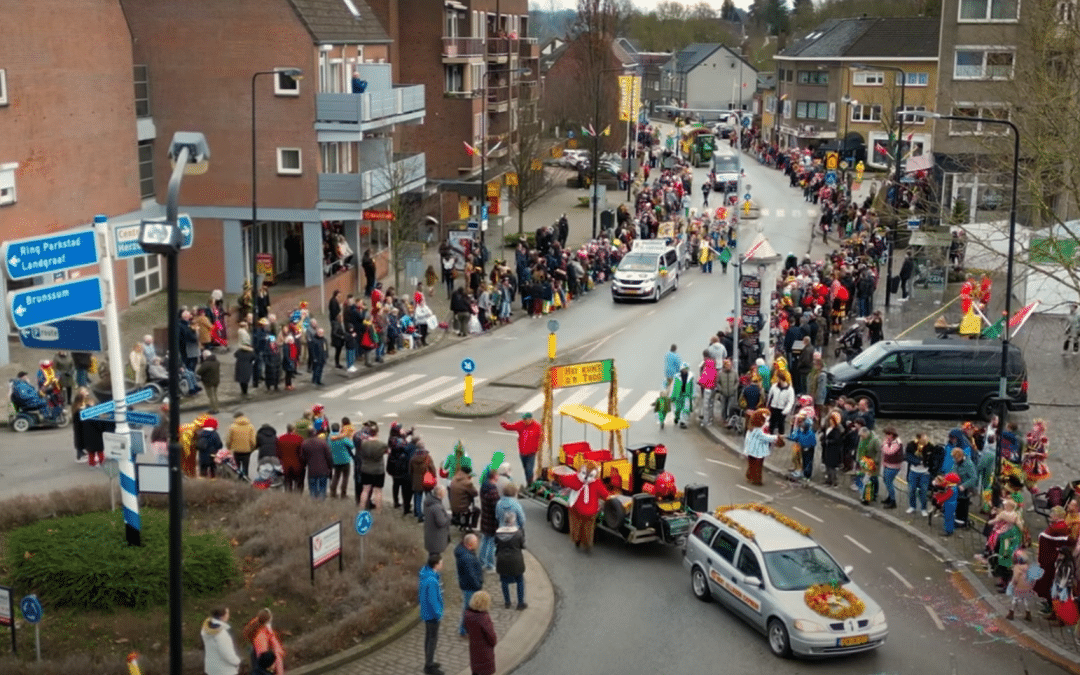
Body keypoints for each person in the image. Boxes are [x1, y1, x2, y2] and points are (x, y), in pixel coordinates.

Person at [419, 553, 445, 675]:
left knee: (428, 638)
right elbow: (433, 600)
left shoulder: (426, 575)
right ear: (436, 564)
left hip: (426, 613)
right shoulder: (432, 581)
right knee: (432, 640)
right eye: (441, 562)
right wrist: (439, 613)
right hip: (432, 615)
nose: (442, 564)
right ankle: (429, 665)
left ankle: (429, 661)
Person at [499, 412, 542, 487]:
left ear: (530, 419)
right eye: (523, 419)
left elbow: (541, 438)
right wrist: (503, 423)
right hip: (522, 453)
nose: (524, 421)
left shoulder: (537, 426)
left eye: (525, 419)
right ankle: (529, 482)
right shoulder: (520, 424)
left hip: (531, 453)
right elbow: (510, 427)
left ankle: (529, 485)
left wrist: (538, 448)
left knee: (529, 470)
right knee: (526, 469)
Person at [454, 533, 484, 636]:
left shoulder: (464, 552)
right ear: (470, 544)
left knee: (468, 608)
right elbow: (471, 575)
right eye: (476, 542)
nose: (478, 544)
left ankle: (466, 628)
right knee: (468, 608)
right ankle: (464, 629)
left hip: (466, 585)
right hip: (470, 587)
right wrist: (478, 585)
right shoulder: (467, 558)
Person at [495, 511, 526, 609]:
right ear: (513, 521)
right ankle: (520, 603)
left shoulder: (498, 532)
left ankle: (507, 602)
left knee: (504, 581)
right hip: (516, 560)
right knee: (520, 580)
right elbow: (523, 546)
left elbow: (496, 543)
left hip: (502, 559)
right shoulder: (518, 533)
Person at [463, 591, 497, 675]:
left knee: (476, 671)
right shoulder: (484, 618)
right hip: (485, 653)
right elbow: (491, 637)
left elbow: (466, 628)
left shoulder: (467, 615)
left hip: (474, 650)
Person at [242, 608, 285, 675]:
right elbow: (263, 658)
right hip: (264, 668)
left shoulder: (257, 624)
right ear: (267, 620)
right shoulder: (261, 637)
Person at [743, 409, 780, 486]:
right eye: (766, 421)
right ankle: (756, 479)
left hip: (751, 450)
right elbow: (765, 437)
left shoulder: (751, 428)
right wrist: (776, 437)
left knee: (751, 464)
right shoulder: (757, 430)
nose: (767, 423)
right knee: (758, 465)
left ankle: (750, 476)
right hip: (757, 451)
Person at [201, 607, 242, 675]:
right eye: (227, 613)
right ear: (222, 616)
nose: (228, 615)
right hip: (225, 670)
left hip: (211, 668)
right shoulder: (220, 633)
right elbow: (227, 653)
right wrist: (237, 661)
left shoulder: (206, 629)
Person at [356, 422, 387, 509]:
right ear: (377, 432)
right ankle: (378, 510)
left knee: (365, 490)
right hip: (378, 470)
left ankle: (362, 508)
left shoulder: (364, 443)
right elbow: (387, 451)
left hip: (366, 468)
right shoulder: (382, 444)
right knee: (378, 491)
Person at [904, 433, 934, 516]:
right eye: (923, 439)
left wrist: (929, 466)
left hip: (925, 472)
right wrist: (918, 461)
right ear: (919, 439)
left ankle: (923, 508)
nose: (925, 441)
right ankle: (912, 506)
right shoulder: (911, 445)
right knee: (911, 489)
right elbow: (908, 456)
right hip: (913, 471)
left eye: (926, 439)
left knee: (924, 491)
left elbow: (933, 459)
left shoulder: (930, 447)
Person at [300, 430, 333, 499]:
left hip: (311, 471)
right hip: (323, 470)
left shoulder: (304, 443)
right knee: (322, 489)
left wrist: (305, 465)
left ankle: (314, 504)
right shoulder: (323, 443)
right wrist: (330, 468)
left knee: (312, 489)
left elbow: (302, 458)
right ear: (316, 434)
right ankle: (321, 504)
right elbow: (329, 457)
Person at [478, 470, 501, 571]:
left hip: (485, 518)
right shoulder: (493, 492)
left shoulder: (483, 487)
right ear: (494, 477)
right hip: (492, 522)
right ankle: (489, 564)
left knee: (484, 541)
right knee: (491, 544)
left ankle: (481, 560)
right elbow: (496, 509)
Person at [411, 440, 437, 522]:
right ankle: (429, 514)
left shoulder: (413, 458)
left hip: (417, 481)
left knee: (418, 498)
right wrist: (434, 477)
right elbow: (432, 469)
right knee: (429, 498)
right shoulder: (427, 457)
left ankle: (419, 515)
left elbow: (410, 471)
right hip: (427, 482)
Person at [1006, 549, 1036, 621]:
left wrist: (1013, 584)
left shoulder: (1017, 567)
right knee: (1025, 599)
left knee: (1015, 598)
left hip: (1019, 586)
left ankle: (1011, 612)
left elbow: (1015, 578)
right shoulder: (1029, 567)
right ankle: (1028, 613)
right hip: (1027, 586)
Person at [226, 411, 257, 478]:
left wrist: (229, 448)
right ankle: (245, 477)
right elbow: (253, 440)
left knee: (237, 466)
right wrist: (253, 448)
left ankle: (239, 477)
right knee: (245, 466)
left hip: (236, 450)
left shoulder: (232, 427)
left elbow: (229, 440)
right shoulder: (250, 426)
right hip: (247, 451)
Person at [328, 423, 355, 499]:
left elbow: (328, 446)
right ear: (339, 428)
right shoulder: (343, 438)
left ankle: (333, 492)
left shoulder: (329, 437)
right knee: (345, 477)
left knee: (336, 476)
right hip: (345, 459)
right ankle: (343, 494)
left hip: (335, 459)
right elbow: (352, 445)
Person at [277, 423, 305, 492]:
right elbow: (302, 453)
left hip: (285, 466)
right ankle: (298, 498)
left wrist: (281, 461)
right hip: (297, 466)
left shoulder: (280, 439)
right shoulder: (299, 438)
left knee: (287, 483)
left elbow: (277, 453)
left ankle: (288, 498)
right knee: (299, 484)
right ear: (294, 429)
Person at [880, 427, 903, 509]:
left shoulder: (897, 443)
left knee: (889, 482)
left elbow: (888, 451)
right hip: (887, 464)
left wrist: (884, 444)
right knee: (886, 481)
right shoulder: (890, 441)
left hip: (893, 466)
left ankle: (893, 501)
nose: (885, 436)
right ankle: (889, 497)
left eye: (887, 434)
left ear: (892, 435)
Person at [820, 411, 844, 487]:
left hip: (833, 451)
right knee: (827, 465)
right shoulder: (828, 428)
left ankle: (833, 481)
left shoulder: (837, 430)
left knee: (832, 467)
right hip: (827, 450)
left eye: (832, 420)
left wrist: (828, 441)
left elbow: (837, 440)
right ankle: (828, 480)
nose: (830, 421)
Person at [424, 485, 451, 554]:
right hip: (436, 538)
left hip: (430, 535)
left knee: (432, 556)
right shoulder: (437, 507)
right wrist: (448, 517)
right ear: (440, 494)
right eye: (444, 492)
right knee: (435, 558)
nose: (445, 494)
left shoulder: (429, 502)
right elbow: (441, 522)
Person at [671, 362, 695, 429]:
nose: (685, 370)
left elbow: (693, 386)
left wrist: (693, 395)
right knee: (677, 409)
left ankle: (683, 422)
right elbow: (673, 387)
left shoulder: (691, 377)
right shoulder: (676, 377)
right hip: (678, 395)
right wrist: (672, 395)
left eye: (686, 369)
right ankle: (677, 417)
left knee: (686, 408)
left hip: (686, 395)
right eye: (684, 369)